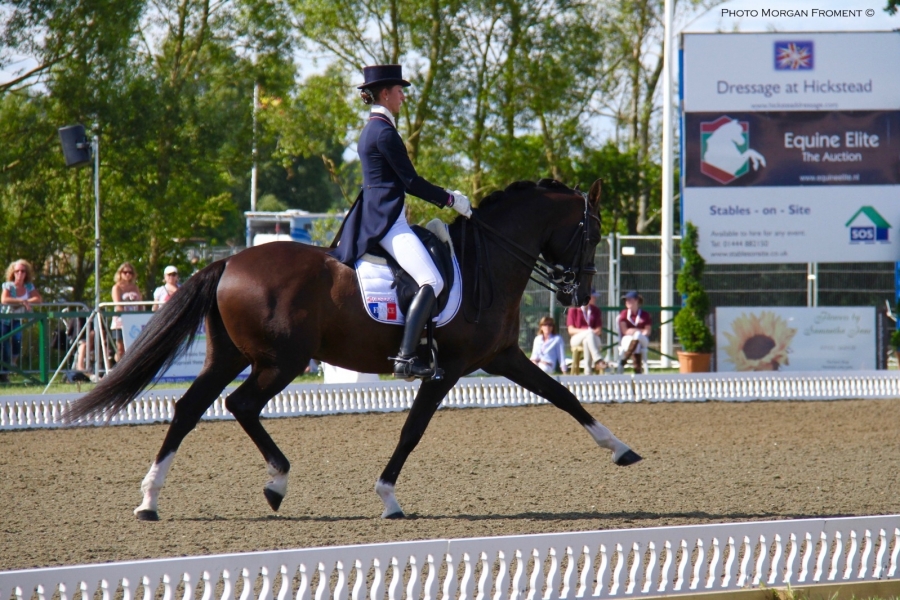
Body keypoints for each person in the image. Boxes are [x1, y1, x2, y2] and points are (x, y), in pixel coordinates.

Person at [330, 64, 472, 379]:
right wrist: (451, 199)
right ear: (385, 93)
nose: (403, 97)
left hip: (381, 216)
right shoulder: (383, 132)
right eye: (399, 91)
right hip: (387, 223)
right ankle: (406, 357)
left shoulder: (375, 128)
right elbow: (411, 181)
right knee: (432, 281)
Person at [1, 259, 43, 380]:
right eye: (17, 271)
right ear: (13, 273)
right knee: (4, 345)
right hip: (5, 319)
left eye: (23, 271)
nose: (20, 274)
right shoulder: (8, 285)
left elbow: (38, 299)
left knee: (17, 341)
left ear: (27, 273)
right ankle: (5, 373)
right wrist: (22, 302)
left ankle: (12, 364)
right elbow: (4, 300)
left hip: (17, 320)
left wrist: (24, 302)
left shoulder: (29, 286)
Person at [566, 291, 606, 374]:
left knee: (587, 341)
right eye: (593, 297)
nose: (595, 299)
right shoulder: (573, 309)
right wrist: (588, 331)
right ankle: (598, 359)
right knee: (589, 334)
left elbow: (599, 330)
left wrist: (590, 332)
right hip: (576, 338)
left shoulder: (596, 310)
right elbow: (571, 330)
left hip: (592, 338)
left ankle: (588, 371)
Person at [111, 262, 143, 361]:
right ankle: (118, 368)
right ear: (120, 273)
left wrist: (140, 315)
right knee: (120, 348)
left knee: (132, 347)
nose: (128, 274)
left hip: (134, 320)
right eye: (125, 272)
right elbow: (118, 305)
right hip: (120, 321)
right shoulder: (117, 287)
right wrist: (126, 316)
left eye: (130, 272)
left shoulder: (135, 287)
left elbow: (140, 303)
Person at [617, 291, 653, 374]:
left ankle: (625, 359)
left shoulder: (644, 314)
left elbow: (647, 331)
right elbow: (625, 331)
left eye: (630, 300)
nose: (627, 302)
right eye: (626, 300)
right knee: (636, 343)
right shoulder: (624, 314)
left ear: (636, 301)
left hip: (643, 339)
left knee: (637, 335)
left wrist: (635, 331)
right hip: (627, 339)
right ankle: (637, 370)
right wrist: (640, 331)